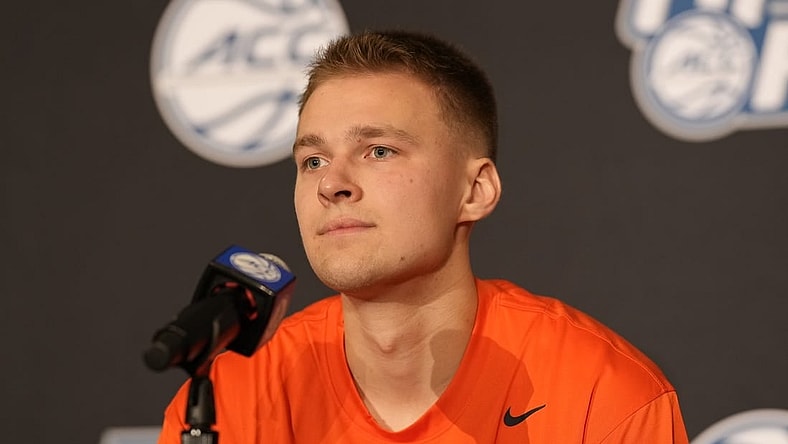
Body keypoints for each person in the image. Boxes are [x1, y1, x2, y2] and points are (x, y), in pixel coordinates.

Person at [158, 30, 689, 443]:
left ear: (475, 189)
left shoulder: (602, 395)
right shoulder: (228, 398)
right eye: (312, 160)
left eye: (379, 151)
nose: (332, 184)